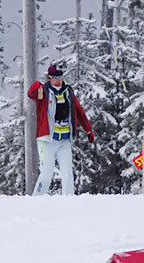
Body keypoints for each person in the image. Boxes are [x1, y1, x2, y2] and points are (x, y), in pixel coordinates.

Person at [28, 65, 95, 195]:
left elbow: (79, 111)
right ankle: (36, 199)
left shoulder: (68, 92)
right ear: (49, 78)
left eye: (60, 77)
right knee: (46, 173)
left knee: (67, 172)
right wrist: (36, 85)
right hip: (47, 139)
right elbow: (31, 94)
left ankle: (68, 200)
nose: (58, 81)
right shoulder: (44, 91)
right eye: (55, 78)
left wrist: (88, 130)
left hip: (64, 139)